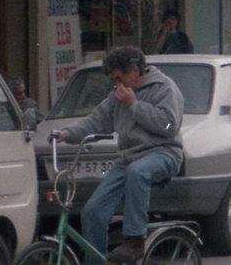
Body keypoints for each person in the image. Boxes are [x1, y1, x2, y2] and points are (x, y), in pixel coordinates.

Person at [50, 46, 184, 262]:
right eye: (113, 81)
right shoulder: (117, 96)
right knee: (92, 211)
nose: (117, 85)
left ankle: (134, 241)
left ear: (134, 71)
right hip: (129, 159)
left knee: (137, 172)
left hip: (164, 153)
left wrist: (134, 105)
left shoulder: (164, 87)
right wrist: (67, 134)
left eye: (119, 78)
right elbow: (96, 120)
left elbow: (169, 126)